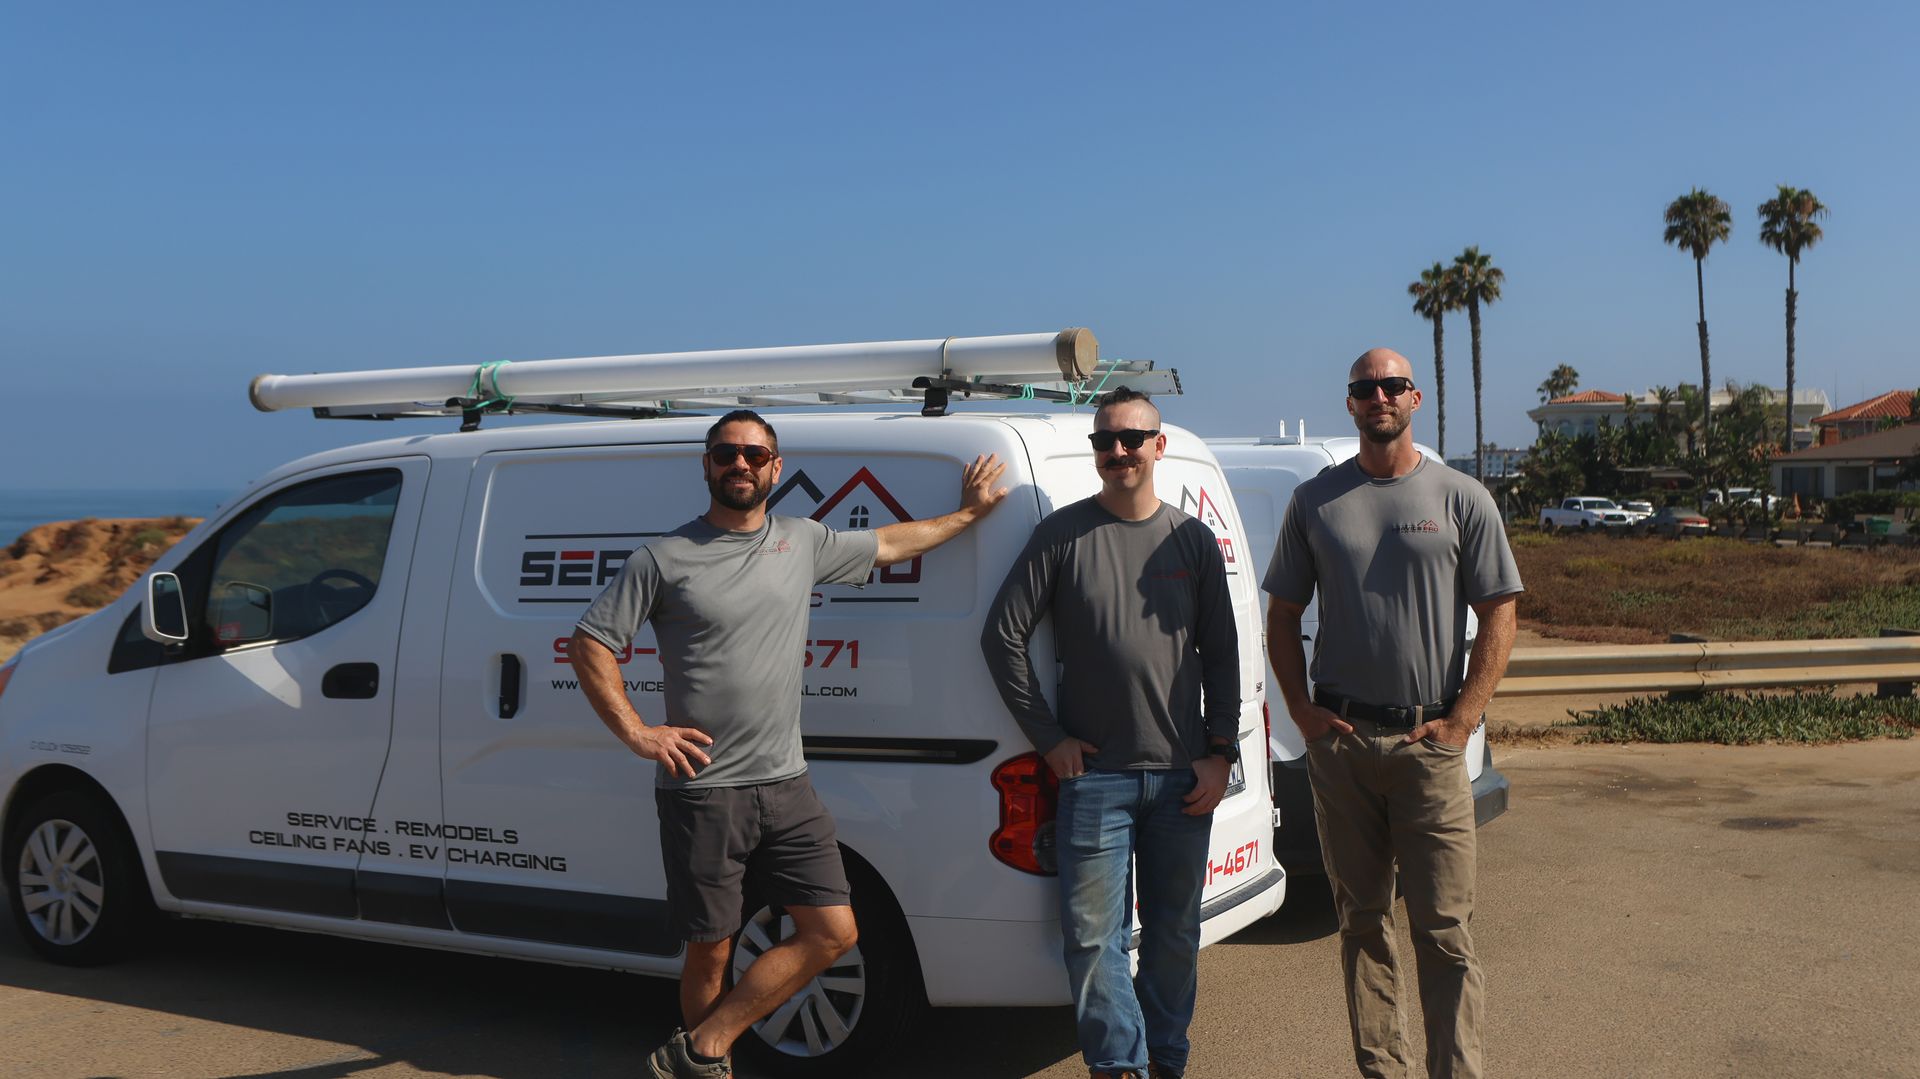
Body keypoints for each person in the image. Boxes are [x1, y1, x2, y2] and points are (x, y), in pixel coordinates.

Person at [569, 409, 1007, 1079]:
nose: (739, 463)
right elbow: (591, 642)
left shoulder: (801, 540)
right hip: (705, 789)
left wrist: (970, 514)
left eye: (754, 453)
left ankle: (700, 1047)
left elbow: (891, 543)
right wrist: (637, 730)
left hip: (787, 784)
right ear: (707, 463)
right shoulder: (662, 558)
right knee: (711, 951)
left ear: (775, 468)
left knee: (834, 931)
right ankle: (710, 1066)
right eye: (726, 452)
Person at [1263, 349, 1522, 1079]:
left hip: (1428, 745)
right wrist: (1303, 712)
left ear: (1414, 398)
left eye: (1390, 385)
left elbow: (1500, 611)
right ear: (1350, 404)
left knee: (1444, 930)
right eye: (1363, 388)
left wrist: (1464, 722)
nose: (1377, 396)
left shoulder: (1462, 496)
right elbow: (1281, 614)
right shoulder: (1315, 501)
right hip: (1343, 750)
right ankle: (1384, 1070)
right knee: (1363, 923)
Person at [980, 387, 1240, 1079]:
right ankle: (1120, 1065)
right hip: (1094, 781)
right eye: (1106, 440)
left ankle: (1168, 1061)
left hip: (1184, 779)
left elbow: (1221, 654)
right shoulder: (1061, 535)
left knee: (1174, 937)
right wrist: (1048, 736)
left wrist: (1221, 754)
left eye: (1131, 438)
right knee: (1094, 941)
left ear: (1159, 445)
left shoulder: (1192, 540)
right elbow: (1000, 636)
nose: (1117, 451)